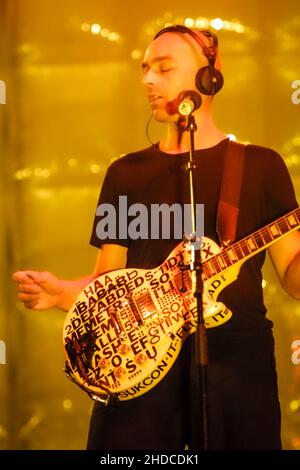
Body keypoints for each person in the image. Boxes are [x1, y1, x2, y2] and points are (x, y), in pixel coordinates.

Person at [12, 25, 300, 450]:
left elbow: (292, 279)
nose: (148, 80)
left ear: (209, 75)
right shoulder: (124, 175)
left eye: (164, 68)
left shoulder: (260, 166)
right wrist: (59, 294)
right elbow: (106, 283)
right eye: (145, 69)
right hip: (137, 374)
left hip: (235, 372)